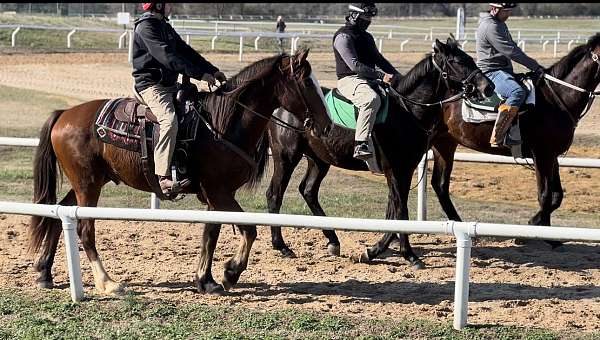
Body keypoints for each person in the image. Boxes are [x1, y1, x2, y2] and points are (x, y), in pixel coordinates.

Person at [132, 3, 227, 195]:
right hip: (152, 87)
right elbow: (167, 57)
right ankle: (163, 177)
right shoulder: (146, 27)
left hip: (169, 85)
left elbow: (185, 52)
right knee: (169, 122)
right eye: (168, 3)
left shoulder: (164, 26)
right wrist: (199, 75)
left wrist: (211, 70)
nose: (172, 6)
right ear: (158, 5)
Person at [332, 2, 401, 161]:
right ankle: (360, 144)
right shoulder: (343, 36)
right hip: (350, 80)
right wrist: (381, 76)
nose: (368, 21)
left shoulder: (367, 37)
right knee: (371, 99)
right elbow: (354, 65)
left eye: (370, 17)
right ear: (354, 16)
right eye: (366, 17)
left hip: (370, 78)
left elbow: (379, 59)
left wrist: (398, 76)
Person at [476, 3, 545, 147]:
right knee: (517, 92)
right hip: (491, 71)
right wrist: (535, 66)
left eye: (509, 11)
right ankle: (499, 135)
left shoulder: (499, 23)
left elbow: (513, 47)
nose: (508, 14)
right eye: (505, 11)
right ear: (495, 9)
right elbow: (511, 52)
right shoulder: (491, 26)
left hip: (503, 69)